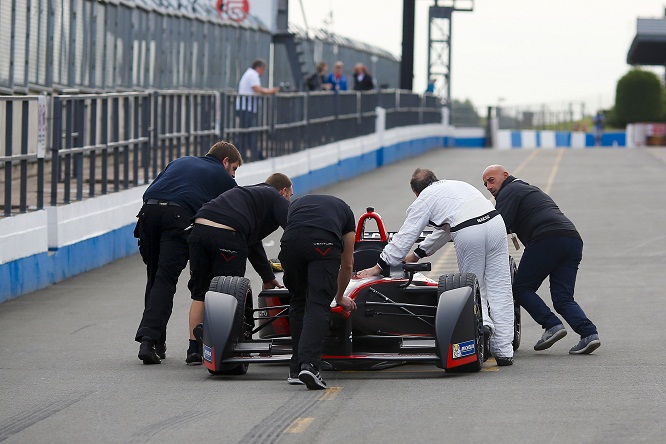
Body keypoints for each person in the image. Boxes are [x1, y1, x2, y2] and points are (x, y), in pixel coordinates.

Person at [357, 168, 515, 366]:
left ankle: (484, 328)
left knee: (475, 287)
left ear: (416, 192)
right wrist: (416, 255)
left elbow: (406, 236)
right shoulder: (456, 185)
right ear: (435, 180)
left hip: (469, 231)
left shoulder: (424, 199)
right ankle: (504, 350)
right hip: (495, 223)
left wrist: (379, 266)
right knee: (500, 287)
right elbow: (445, 230)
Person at [134, 141, 242, 365]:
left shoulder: (180, 161)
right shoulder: (223, 179)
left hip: (147, 213)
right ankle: (149, 339)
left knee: (155, 277)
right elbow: (236, 210)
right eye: (234, 169)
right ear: (225, 161)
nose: (233, 176)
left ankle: (154, 341)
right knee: (165, 278)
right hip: (177, 217)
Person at [482, 164, 601, 355]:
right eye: (485, 184)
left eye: (491, 180)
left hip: (546, 239)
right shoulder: (529, 189)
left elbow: (499, 225)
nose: (488, 186)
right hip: (572, 240)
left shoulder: (509, 190)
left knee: (521, 289)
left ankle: (551, 325)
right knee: (563, 297)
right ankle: (589, 334)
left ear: (505, 175)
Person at [185, 173, 294, 364]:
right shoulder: (275, 196)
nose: (288, 201)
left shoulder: (247, 195)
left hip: (198, 230)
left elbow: (253, 244)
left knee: (200, 293)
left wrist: (267, 277)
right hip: (227, 234)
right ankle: (229, 346)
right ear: (283, 191)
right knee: (230, 293)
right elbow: (294, 228)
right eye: (290, 197)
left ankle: (194, 350)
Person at [279, 194, 357, 389]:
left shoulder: (296, 204)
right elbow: (347, 264)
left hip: (290, 242)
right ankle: (310, 365)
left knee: (298, 301)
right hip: (323, 242)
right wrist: (339, 297)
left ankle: (296, 369)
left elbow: (297, 232)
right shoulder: (346, 211)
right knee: (318, 303)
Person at [236, 58, 280, 161]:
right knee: (250, 132)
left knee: (245, 132)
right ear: (259, 68)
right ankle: (254, 155)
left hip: (245, 107)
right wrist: (271, 91)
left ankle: (247, 154)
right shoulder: (253, 74)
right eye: (263, 70)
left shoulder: (249, 73)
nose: (263, 73)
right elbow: (257, 89)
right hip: (247, 108)